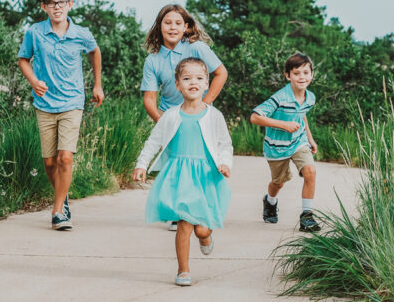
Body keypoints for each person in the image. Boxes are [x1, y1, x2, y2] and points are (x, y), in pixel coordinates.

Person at [133, 58, 233, 286]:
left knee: (201, 229)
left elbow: (225, 144)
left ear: (207, 84)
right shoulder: (171, 115)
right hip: (180, 176)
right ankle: (183, 270)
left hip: (206, 177)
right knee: (184, 225)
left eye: (199, 78)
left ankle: (206, 237)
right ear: (178, 85)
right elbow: (153, 141)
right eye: (187, 79)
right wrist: (141, 164)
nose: (193, 83)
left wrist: (225, 163)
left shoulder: (214, 115)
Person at [17, 0, 104, 231]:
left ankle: (58, 212)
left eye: (62, 2)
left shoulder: (81, 33)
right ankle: (62, 198)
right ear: (44, 7)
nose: (58, 8)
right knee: (49, 163)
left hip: (72, 101)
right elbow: (24, 60)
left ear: (70, 4)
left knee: (65, 158)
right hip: (44, 103)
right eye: (52, 4)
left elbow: (95, 52)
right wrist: (34, 81)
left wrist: (97, 85)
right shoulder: (35, 32)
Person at [140, 4, 227, 230]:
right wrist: (166, 123)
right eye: (167, 22)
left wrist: (204, 106)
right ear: (159, 27)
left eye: (178, 23)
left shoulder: (197, 48)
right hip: (170, 116)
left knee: (200, 162)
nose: (173, 27)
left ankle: (202, 207)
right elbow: (149, 99)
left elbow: (221, 73)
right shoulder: (153, 60)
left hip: (200, 116)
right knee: (175, 166)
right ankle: (177, 212)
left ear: (186, 26)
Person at [249, 52, 320, 232]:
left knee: (310, 171)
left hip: (298, 142)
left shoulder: (310, 98)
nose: (301, 77)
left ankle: (307, 216)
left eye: (305, 72)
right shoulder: (279, 98)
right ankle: (270, 201)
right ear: (287, 76)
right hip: (276, 147)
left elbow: (301, 115)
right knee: (278, 183)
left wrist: (310, 139)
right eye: (296, 73)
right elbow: (255, 117)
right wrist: (283, 125)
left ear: (312, 74)